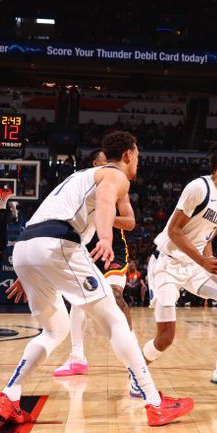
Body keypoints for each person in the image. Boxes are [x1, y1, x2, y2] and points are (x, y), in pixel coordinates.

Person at [0, 131, 193, 427]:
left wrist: (30, 269)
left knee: (54, 329)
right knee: (114, 321)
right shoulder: (114, 175)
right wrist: (108, 238)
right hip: (58, 245)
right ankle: (154, 402)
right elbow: (107, 200)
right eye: (137, 156)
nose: (138, 162)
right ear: (127, 155)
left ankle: (10, 394)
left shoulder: (79, 177)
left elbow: (47, 216)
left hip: (26, 247)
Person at [143, 142, 217, 391]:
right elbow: (174, 230)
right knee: (165, 338)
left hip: (194, 264)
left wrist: (210, 262)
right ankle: (137, 371)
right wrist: (202, 261)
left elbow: (207, 238)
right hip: (167, 264)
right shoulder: (198, 187)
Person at [53, 148, 136, 378]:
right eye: (104, 161)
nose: (109, 165)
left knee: (116, 296)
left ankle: (133, 355)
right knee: (79, 301)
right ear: (94, 164)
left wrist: (104, 215)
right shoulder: (80, 186)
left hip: (113, 250)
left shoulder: (118, 185)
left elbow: (130, 223)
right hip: (85, 248)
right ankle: (77, 358)